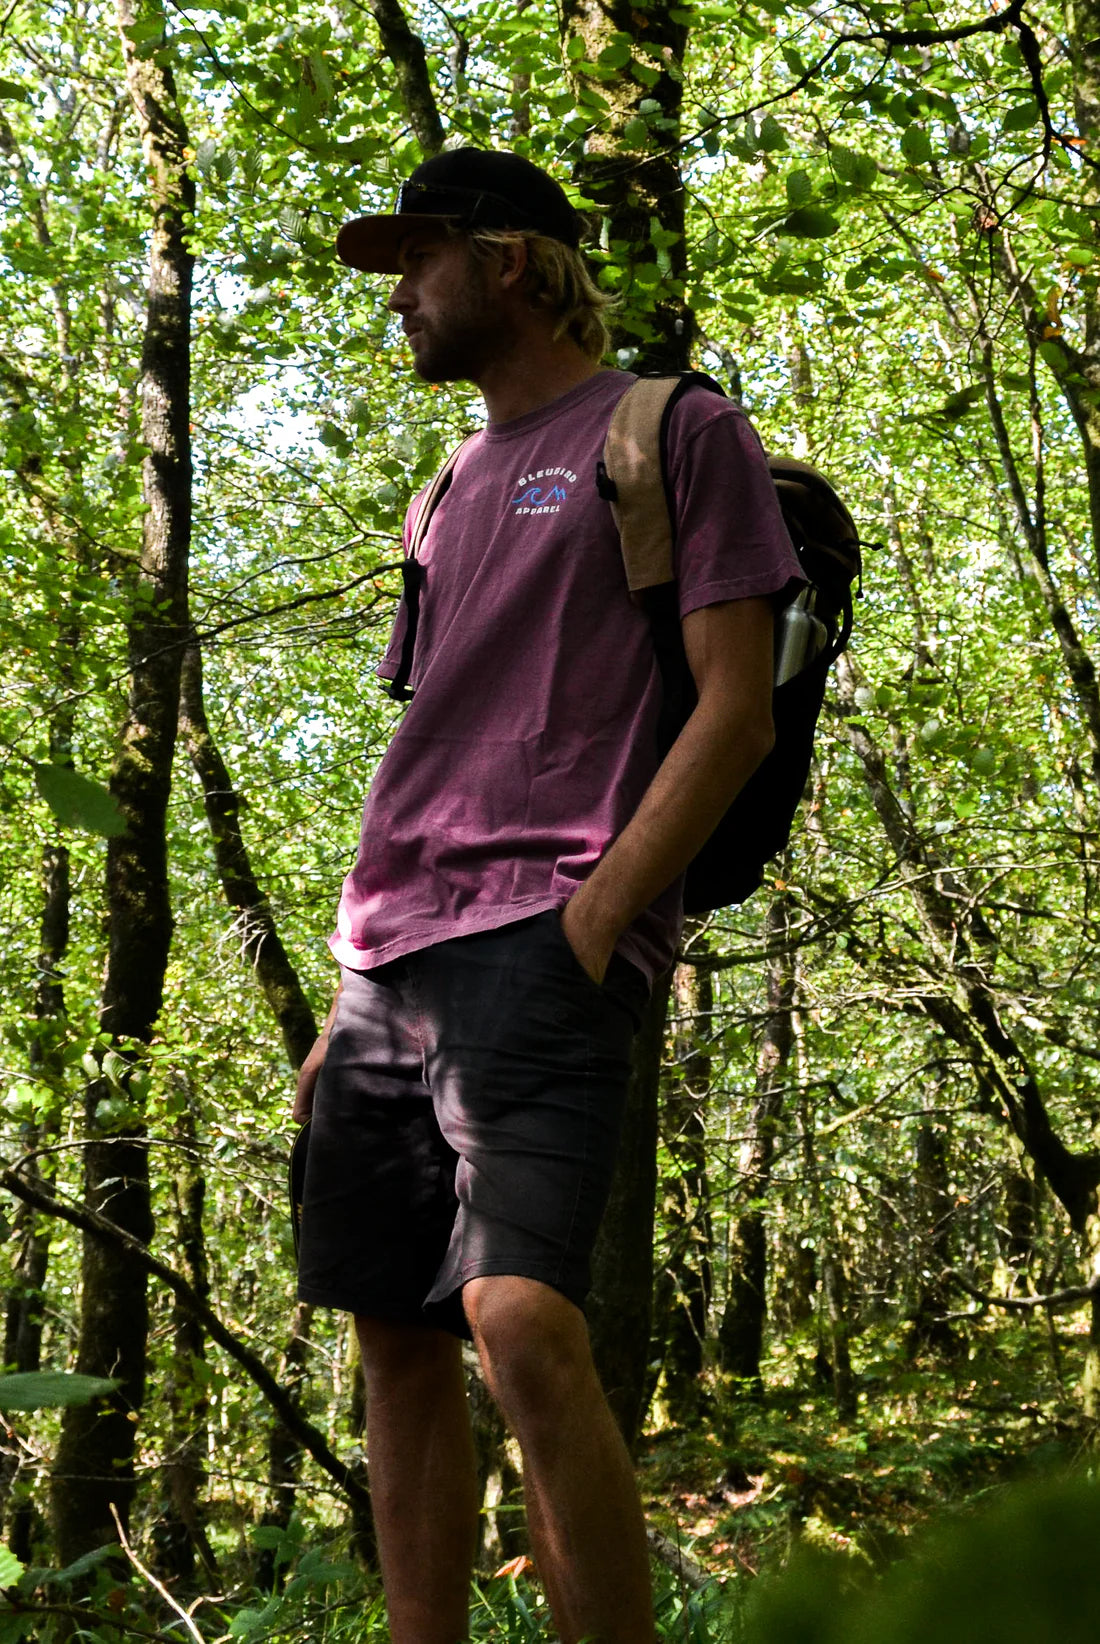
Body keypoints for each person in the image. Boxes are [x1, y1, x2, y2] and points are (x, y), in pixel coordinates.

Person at [294, 147, 802, 1644]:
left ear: (510, 259)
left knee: (516, 1317)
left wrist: (597, 917)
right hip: (389, 961)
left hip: (549, 933)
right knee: (395, 1339)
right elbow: (430, 738)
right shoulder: (442, 491)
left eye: (419, 258)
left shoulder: (674, 430)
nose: (399, 293)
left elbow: (736, 709)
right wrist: (345, 990)